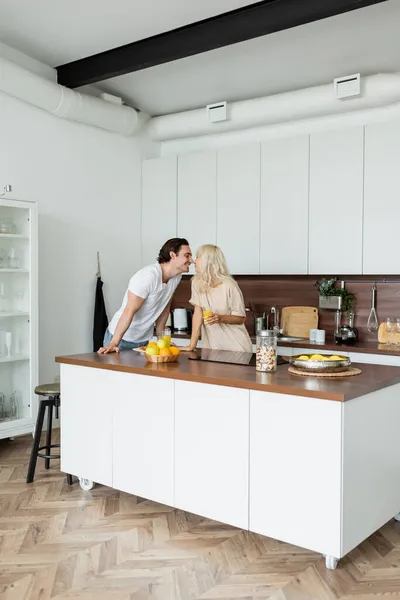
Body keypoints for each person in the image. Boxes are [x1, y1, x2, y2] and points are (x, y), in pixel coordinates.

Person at [98, 238, 193, 354]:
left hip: (143, 341)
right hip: (121, 339)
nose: (191, 260)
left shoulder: (176, 277)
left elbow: (164, 308)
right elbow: (129, 311)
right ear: (173, 255)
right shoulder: (148, 276)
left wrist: (161, 340)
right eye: (187, 256)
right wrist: (113, 343)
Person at [180, 244, 252, 353]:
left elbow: (241, 318)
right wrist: (191, 345)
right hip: (211, 348)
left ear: (207, 261)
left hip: (236, 348)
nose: (194, 261)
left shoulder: (229, 285)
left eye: (197, 257)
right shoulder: (196, 283)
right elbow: (198, 315)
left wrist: (220, 318)